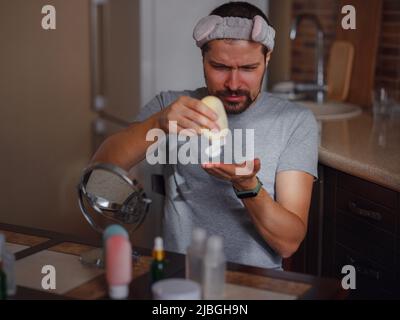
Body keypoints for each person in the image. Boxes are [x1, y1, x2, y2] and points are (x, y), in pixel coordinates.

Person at [91, 1, 318, 269]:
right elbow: (98, 180)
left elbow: (288, 242)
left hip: (256, 284)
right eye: (220, 67)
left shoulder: (293, 122)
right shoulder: (172, 107)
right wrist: (158, 123)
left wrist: (248, 188)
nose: (234, 84)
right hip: (181, 277)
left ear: (267, 59)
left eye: (248, 68)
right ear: (203, 59)